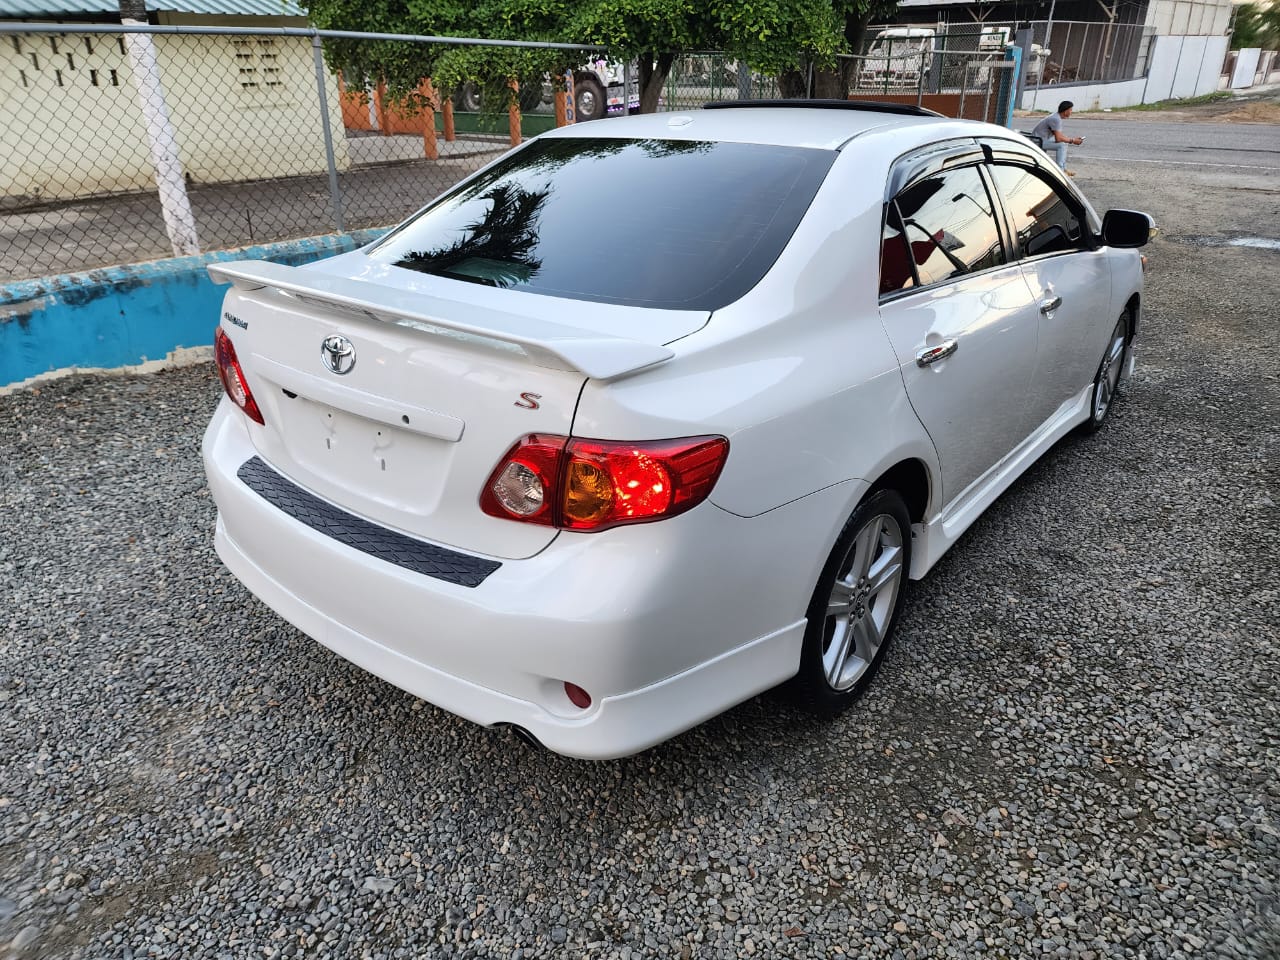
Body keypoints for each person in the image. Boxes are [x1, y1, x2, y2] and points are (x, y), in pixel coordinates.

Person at [1031, 100, 1083, 175]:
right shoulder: (1056, 119)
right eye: (1070, 110)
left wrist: (1072, 139)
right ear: (1065, 111)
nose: (1071, 112)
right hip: (1037, 141)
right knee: (1061, 145)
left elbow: (1059, 135)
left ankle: (1064, 169)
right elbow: (1058, 139)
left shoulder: (1056, 117)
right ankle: (1060, 171)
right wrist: (1073, 140)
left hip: (1042, 139)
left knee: (1065, 142)